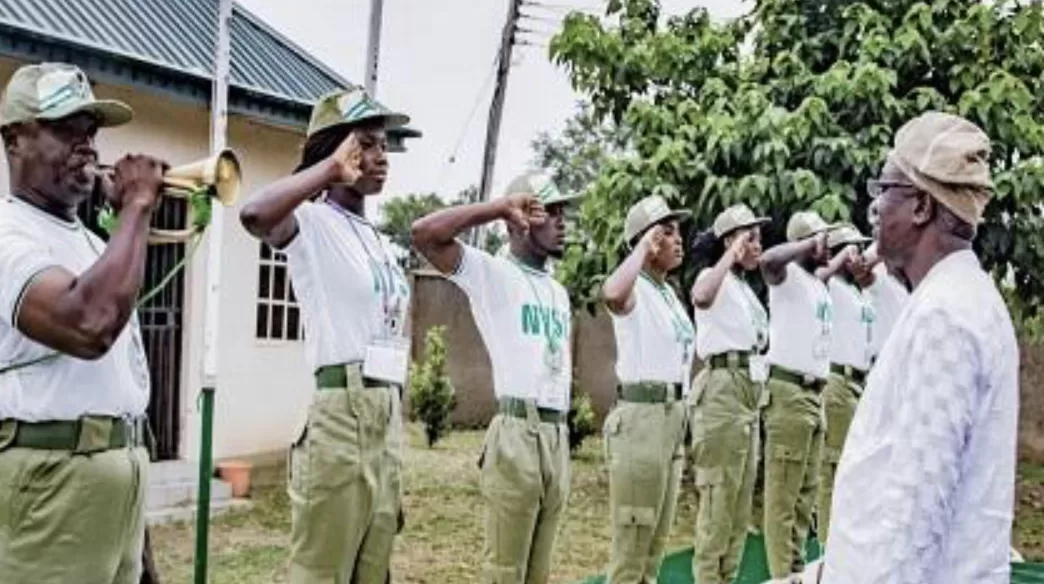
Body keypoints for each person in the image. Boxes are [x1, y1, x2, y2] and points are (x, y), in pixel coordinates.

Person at [823, 112, 1018, 583]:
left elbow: (914, 509)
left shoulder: (944, 317)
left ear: (920, 208)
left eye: (885, 189)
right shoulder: (953, 299)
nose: (875, 208)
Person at [239, 86, 411, 583]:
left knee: (373, 569)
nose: (382, 156)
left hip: (385, 414)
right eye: (367, 144)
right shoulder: (310, 223)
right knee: (321, 573)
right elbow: (254, 214)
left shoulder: (381, 241)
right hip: (341, 416)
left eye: (384, 145)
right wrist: (331, 170)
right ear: (336, 148)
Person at [0, 62, 161, 583]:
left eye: (90, 131)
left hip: (118, 480)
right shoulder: (8, 233)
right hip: (49, 484)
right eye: (66, 128)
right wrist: (137, 206)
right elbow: (88, 325)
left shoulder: (97, 247)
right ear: (14, 140)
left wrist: (142, 543)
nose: (87, 145)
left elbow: (121, 389)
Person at [411, 172, 580, 584]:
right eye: (547, 211)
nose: (561, 222)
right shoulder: (493, 274)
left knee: (538, 572)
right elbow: (425, 234)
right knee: (506, 571)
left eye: (563, 212)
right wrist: (497, 208)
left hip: (556, 434)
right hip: (518, 432)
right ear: (517, 218)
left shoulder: (557, 290)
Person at [600, 195, 694, 583]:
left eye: (678, 232)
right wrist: (642, 246)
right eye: (665, 233)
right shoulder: (634, 285)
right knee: (632, 546)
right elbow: (612, 295)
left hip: (672, 418)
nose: (678, 240)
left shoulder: (668, 292)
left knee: (654, 545)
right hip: (642, 420)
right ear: (645, 242)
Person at [686, 203, 770, 584]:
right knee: (718, 503)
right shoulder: (712, 276)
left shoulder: (745, 290)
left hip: (749, 396)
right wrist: (730, 255)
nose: (758, 245)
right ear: (731, 241)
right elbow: (700, 296)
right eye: (751, 237)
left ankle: (728, 578)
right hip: (722, 390)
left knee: (738, 506)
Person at [758, 210, 840, 583]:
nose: (828, 247)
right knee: (783, 497)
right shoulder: (786, 277)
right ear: (807, 242)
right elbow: (768, 259)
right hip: (789, 394)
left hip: (814, 395)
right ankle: (780, 575)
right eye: (823, 240)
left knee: (806, 494)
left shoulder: (816, 282)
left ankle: (795, 571)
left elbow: (833, 265)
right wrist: (810, 241)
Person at [814, 224, 874, 547]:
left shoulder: (856, 290)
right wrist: (838, 259)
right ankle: (827, 546)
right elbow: (817, 277)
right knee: (833, 469)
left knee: (853, 471)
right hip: (838, 380)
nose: (859, 253)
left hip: (859, 382)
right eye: (853, 248)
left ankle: (844, 544)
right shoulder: (831, 285)